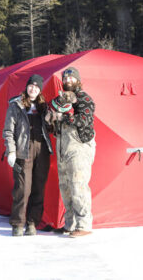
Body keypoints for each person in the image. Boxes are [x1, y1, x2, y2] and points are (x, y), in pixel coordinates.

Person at [3, 74, 53, 237]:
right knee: (22, 188)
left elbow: (51, 128)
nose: (33, 89)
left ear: (40, 90)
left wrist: (53, 118)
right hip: (23, 151)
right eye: (31, 86)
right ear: (26, 87)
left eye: (37, 87)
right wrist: (11, 151)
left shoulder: (44, 106)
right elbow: (8, 131)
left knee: (39, 187)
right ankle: (18, 223)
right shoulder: (15, 105)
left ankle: (32, 222)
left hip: (42, 149)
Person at [51, 66, 96, 238]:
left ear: (77, 80)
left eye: (71, 78)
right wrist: (51, 118)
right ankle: (70, 224)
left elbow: (84, 120)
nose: (68, 80)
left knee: (78, 186)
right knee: (66, 187)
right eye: (65, 78)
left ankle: (84, 224)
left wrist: (64, 117)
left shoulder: (84, 98)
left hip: (79, 146)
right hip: (63, 147)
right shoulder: (61, 99)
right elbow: (52, 116)